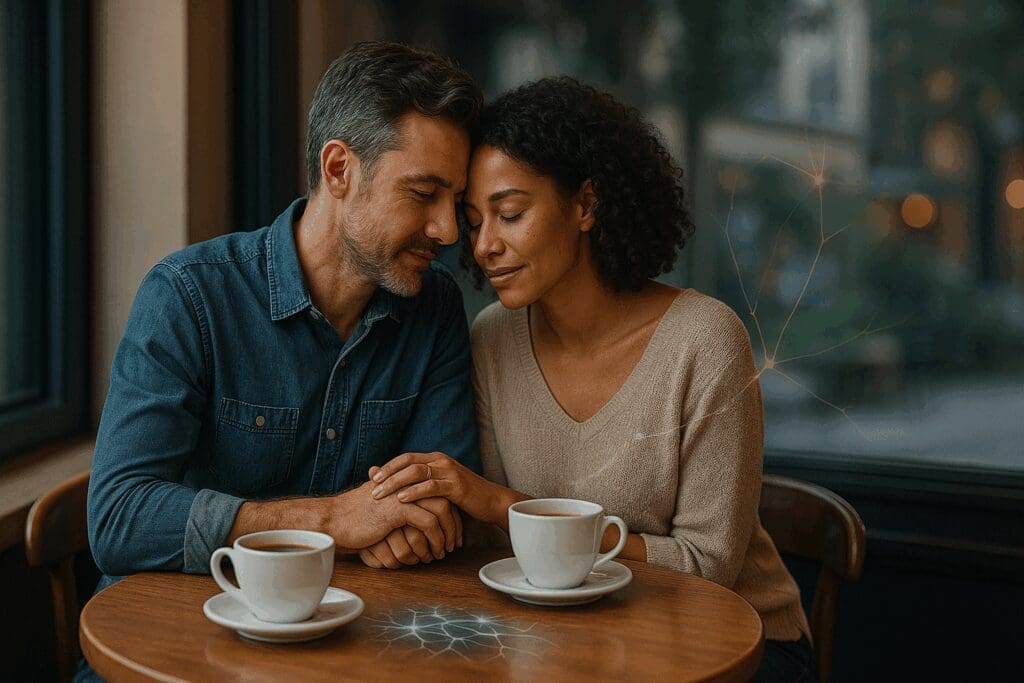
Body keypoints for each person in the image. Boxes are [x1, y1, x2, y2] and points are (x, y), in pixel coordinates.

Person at [368, 76, 817, 682]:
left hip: (734, 644)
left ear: (585, 205)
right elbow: (493, 545)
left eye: (511, 213)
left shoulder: (705, 341)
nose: (484, 247)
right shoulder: (493, 339)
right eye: (474, 223)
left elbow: (706, 567)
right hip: (569, 640)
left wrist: (502, 504)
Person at [87, 40, 485, 597]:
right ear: (339, 168)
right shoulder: (188, 296)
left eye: (455, 201)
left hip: (337, 642)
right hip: (170, 642)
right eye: (423, 193)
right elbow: (118, 520)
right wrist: (330, 522)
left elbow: (442, 503)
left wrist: (413, 526)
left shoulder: (434, 309)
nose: (446, 230)